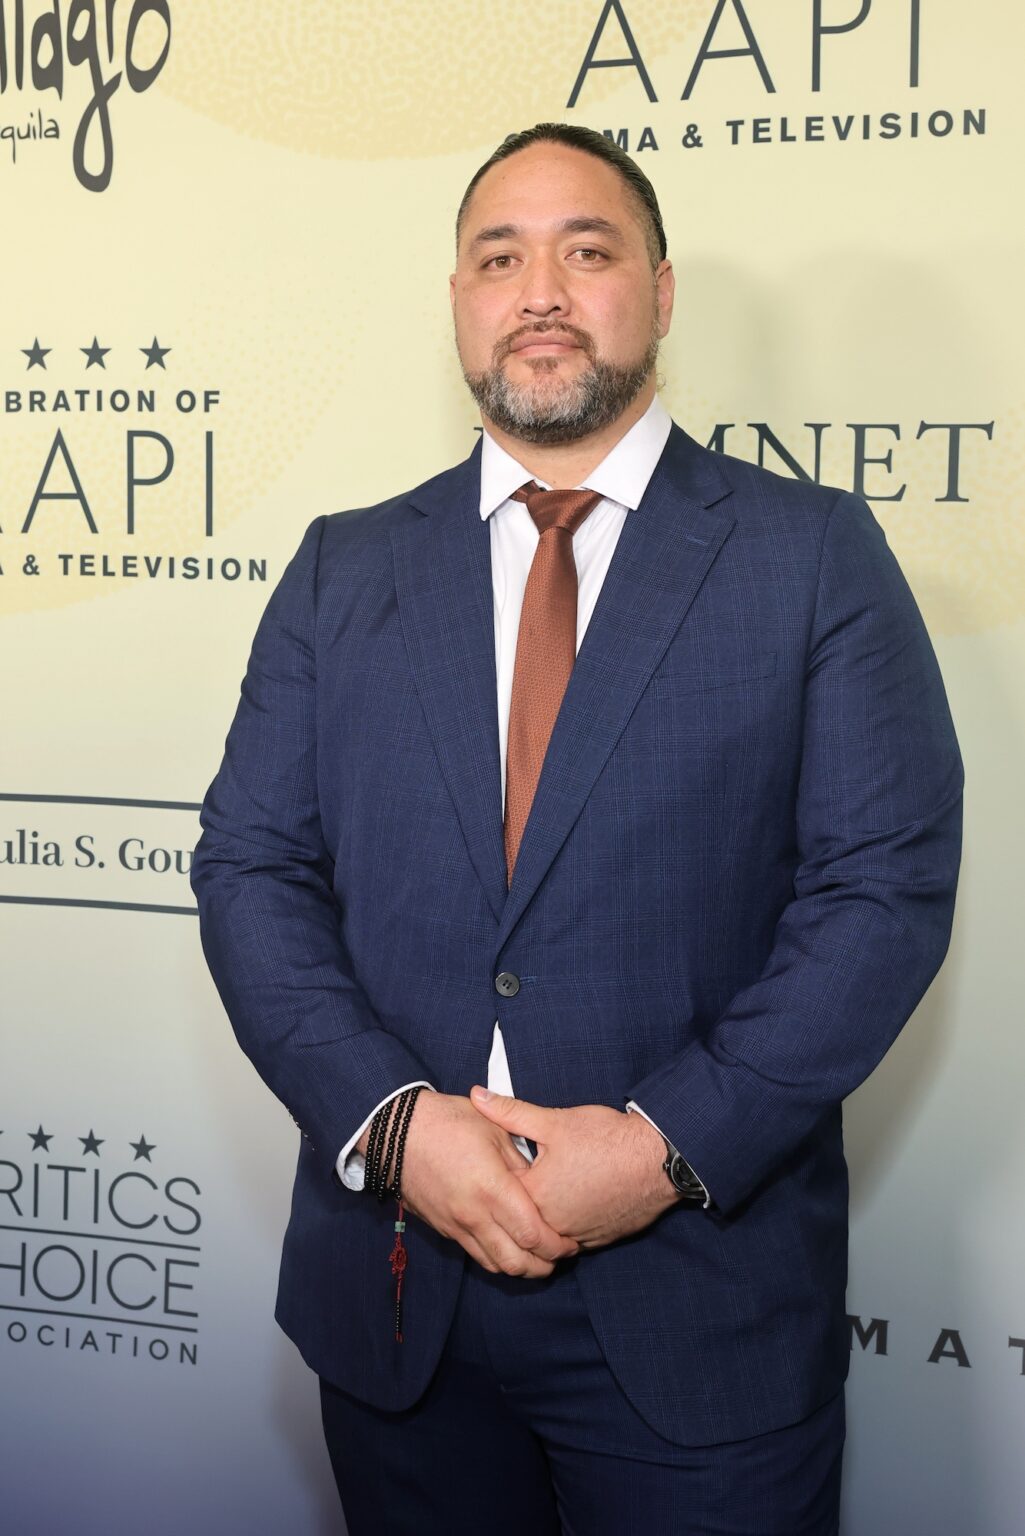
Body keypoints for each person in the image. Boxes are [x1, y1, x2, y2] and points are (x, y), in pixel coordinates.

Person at [191, 122, 963, 1535]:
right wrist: (393, 1123)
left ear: (659, 294)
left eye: (586, 250)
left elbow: (881, 894)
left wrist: (662, 1147)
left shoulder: (810, 557)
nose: (539, 291)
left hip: (698, 1311)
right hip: (399, 1295)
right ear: (457, 302)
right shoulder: (341, 568)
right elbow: (251, 868)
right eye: (499, 258)